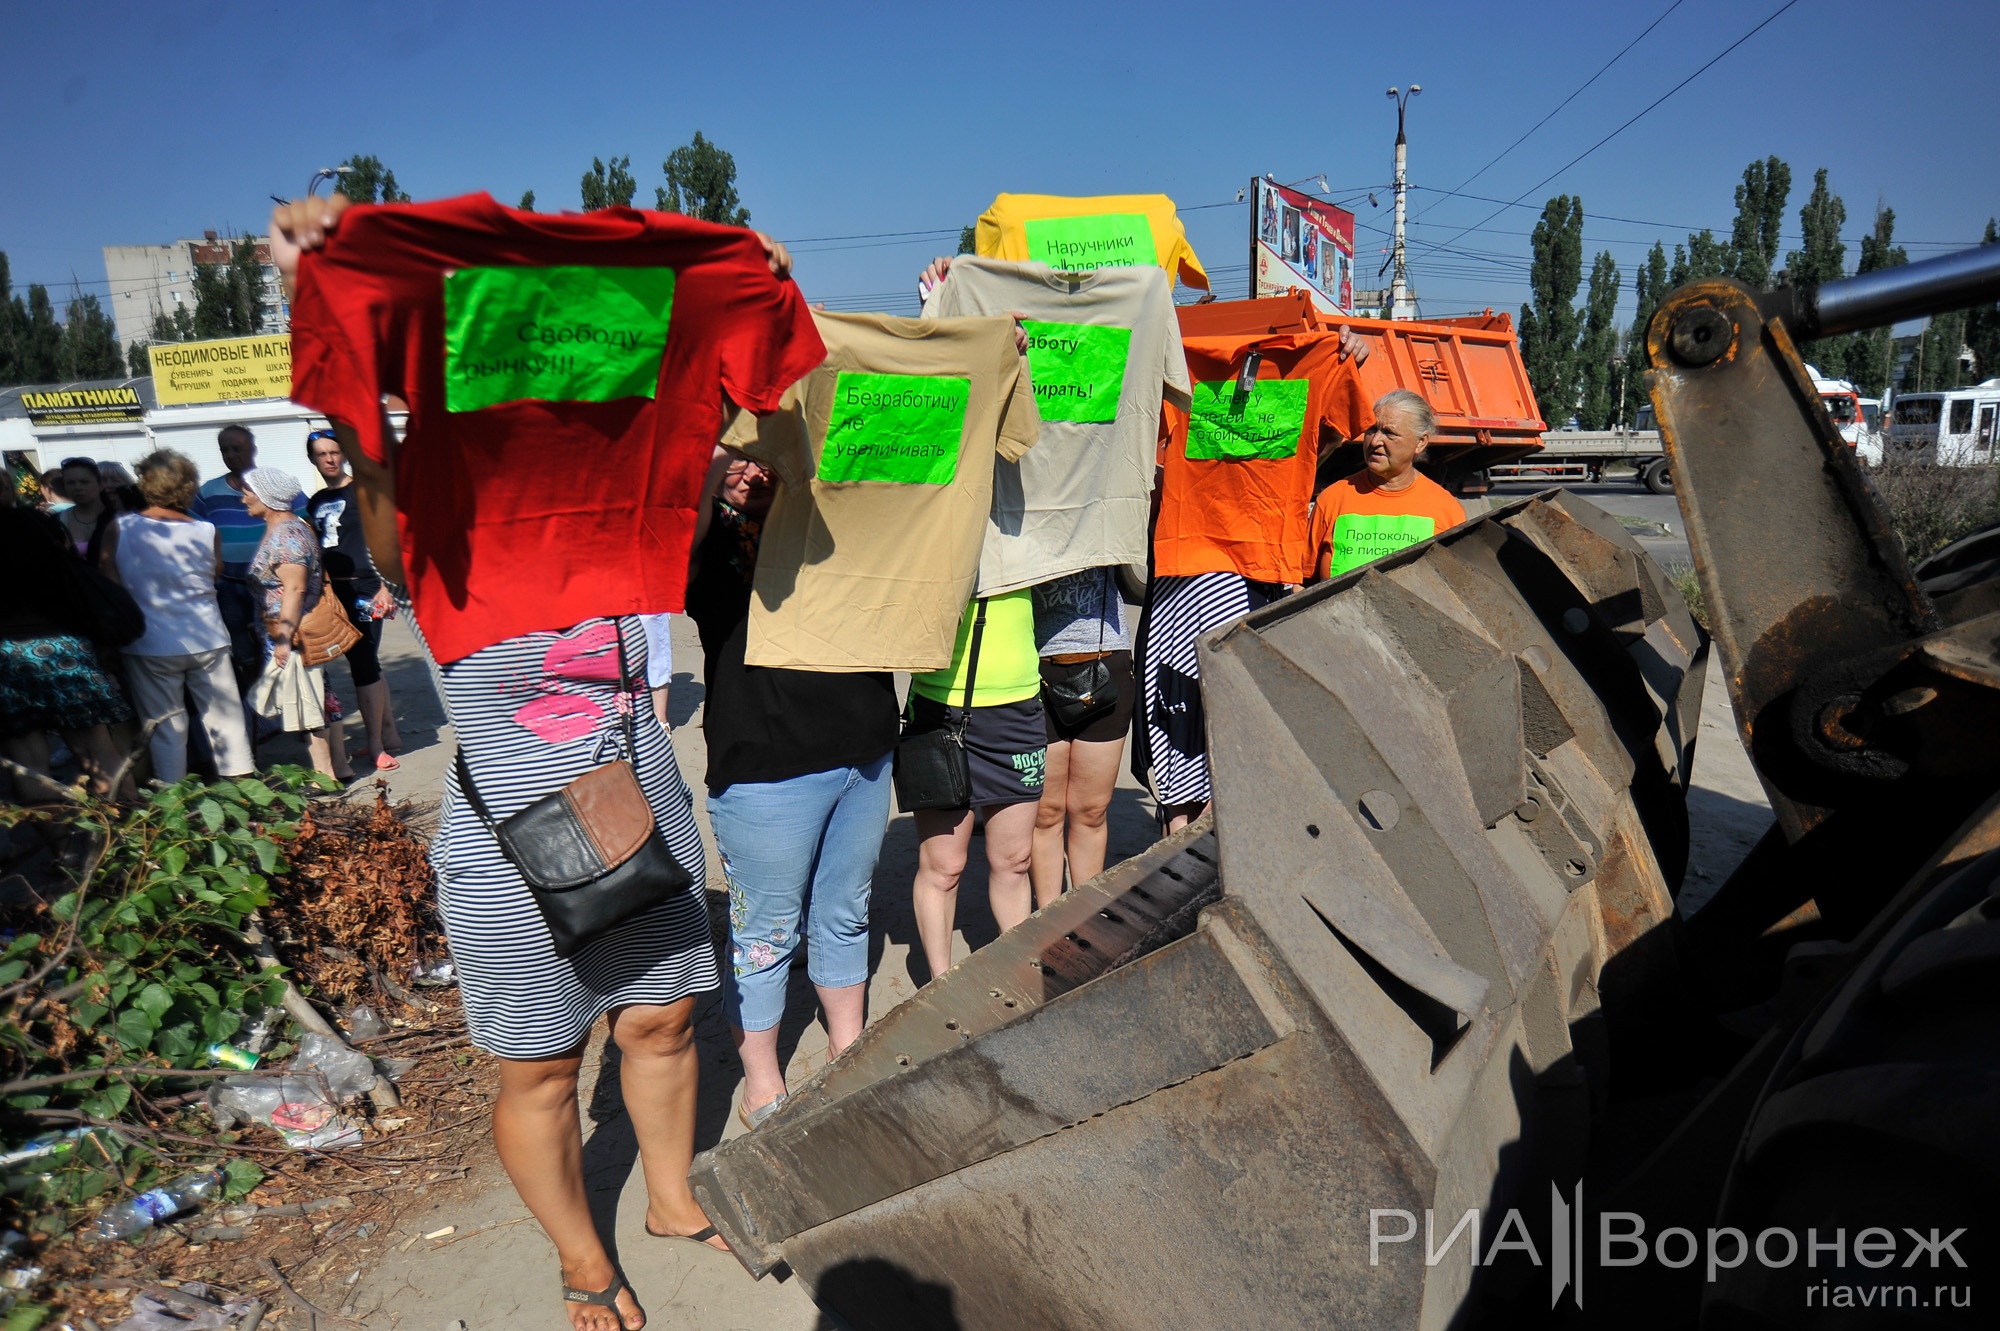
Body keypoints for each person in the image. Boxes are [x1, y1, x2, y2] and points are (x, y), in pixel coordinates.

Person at [272, 189, 822, 1331]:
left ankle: (668, 1199)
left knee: (665, 1019)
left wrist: (754, 272)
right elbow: (378, 491)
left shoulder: (630, 512)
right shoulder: (441, 538)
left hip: (641, 802)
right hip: (515, 834)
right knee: (540, 1066)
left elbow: (750, 415)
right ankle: (583, 1256)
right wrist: (341, 287)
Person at [684, 448, 899, 1129]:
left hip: (863, 751)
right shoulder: (716, 547)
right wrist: (711, 469)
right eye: (738, 461)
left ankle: (848, 1052)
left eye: (763, 457)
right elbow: (680, 533)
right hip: (765, 771)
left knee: (846, 912)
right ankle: (763, 1086)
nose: (752, 470)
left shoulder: (838, 530)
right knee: (765, 935)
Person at [905, 590, 1048, 983]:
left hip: (1018, 708)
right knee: (943, 867)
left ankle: (1021, 975)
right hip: (940, 706)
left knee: (1015, 861)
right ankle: (940, 987)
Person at [98, 450, 255, 784]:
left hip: (149, 641)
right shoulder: (206, 529)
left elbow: (110, 584)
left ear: (144, 483)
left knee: (165, 723)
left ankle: (173, 799)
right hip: (207, 636)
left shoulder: (120, 528)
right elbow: (214, 574)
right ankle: (243, 790)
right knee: (225, 717)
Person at [0, 505, 137, 801]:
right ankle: (127, 837)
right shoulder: (35, 523)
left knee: (29, 763)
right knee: (97, 751)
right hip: (65, 648)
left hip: (7, 656)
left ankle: (63, 847)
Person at [1028, 568, 1136, 906]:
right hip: (1034, 665)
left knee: (1090, 810)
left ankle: (1084, 919)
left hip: (1106, 661)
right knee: (1045, 813)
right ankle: (1047, 923)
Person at [241, 466, 353, 782]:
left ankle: (325, 775)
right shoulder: (287, 528)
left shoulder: (288, 534)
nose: (244, 497)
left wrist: (283, 638)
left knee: (305, 702)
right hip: (291, 631)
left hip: (291, 632)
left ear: (267, 496)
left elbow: (295, 588)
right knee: (322, 695)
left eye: (249, 491)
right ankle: (339, 766)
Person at [304, 428, 404, 771]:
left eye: (334, 452)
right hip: (336, 590)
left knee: (364, 666)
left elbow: (390, 537)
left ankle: (376, 745)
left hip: (366, 587)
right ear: (313, 459)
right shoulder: (315, 502)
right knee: (366, 664)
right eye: (321, 454)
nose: (329, 459)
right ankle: (389, 732)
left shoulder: (362, 489)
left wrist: (386, 586)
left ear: (344, 454)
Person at [1306, 389, 1467, 582]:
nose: (1375, 441)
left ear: (1421, 442)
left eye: (1389, 433)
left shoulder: (1446, 511)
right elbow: (1303, 582)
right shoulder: (1332, 499)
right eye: (1371, 430)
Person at [193, 425, 300, 694]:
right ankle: (259, 705)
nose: (230, 455)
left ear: (253, 449)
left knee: (283, 642)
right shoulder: (208, 492)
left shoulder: (271, 484)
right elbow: (193, 532)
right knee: (243, 651)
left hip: (272, 587)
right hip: (229, 585)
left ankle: (293, 706)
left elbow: (304, 520)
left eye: (236, 448)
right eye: (224, 450)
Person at [57, 457, 115, 561]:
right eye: (70, 483)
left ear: (100, 485)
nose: (77, 487)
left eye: (84, 482)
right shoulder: (58, 521)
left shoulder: (117, 517)